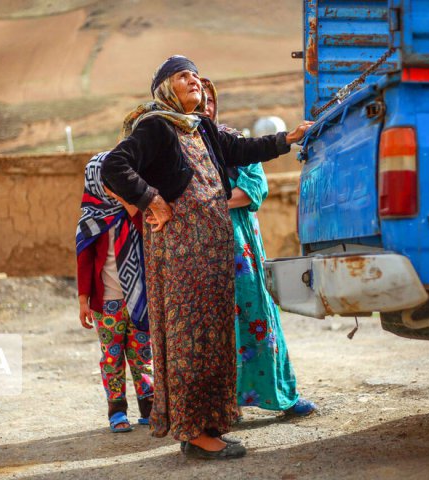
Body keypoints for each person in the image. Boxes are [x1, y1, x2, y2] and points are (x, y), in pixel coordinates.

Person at [100, 55, 312, 460]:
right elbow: (114, 166)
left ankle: (210, 425)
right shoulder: (157, 126)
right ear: (165, 88)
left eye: (196, 74)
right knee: (191, 340)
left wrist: (287, 138)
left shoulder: (200, 128)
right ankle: (195, 434)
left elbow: (242, 148)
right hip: (182, 255)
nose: (194, 80)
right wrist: (151, 200)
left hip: (210, 254)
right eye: (184, 76)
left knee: (213, 338)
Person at [201, 78, 317, 419]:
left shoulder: (233, 141)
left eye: (209, 100)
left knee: (258, 317)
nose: (205, 107)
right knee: (213, 328)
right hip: (199, 250)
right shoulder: (183, 147)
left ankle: (282, 395)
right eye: (198, 101)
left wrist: (201, 203)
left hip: (241, 249)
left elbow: (253, 188)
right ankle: (225, 405)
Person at [76, 152, 154, 433]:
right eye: (107, 181)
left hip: (139, 299)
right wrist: (83, 300)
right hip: (106, 302)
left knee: (142, 353)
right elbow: (83, 262)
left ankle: (149, 407)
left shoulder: (133, 212)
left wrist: (124, 198)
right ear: (95, 182)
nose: (113, 186)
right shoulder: (90, 220)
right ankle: (117, 412)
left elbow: (145, 228)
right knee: (111, 356)